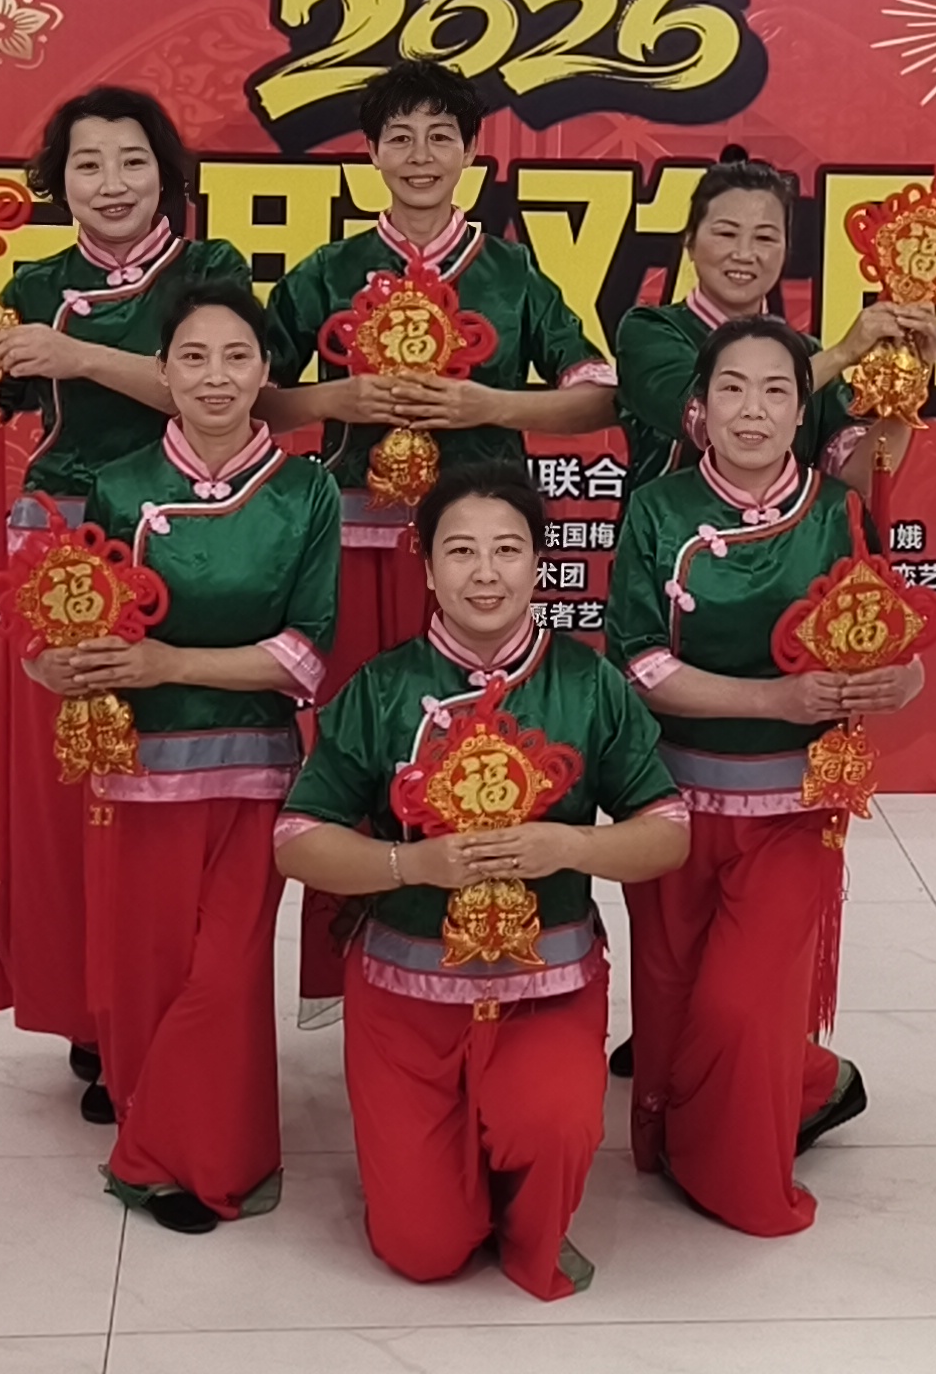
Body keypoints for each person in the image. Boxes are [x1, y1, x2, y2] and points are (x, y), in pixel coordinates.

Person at [0, 84, 253, 1117]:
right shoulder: (32, 283)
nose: (112, 183)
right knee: (74, 793)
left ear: (167, 174)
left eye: (133, 161)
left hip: (192, 538)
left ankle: (171, 1001)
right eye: (87, 164)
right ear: (58, 183)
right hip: (58, 557)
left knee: (168, 787)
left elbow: (231, 399)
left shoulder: (211, 272)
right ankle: (91, 1010)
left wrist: (80, 355)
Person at [274, 468, 688, 1299]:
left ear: (540, 564)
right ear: (427, 568)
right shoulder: (383, 687)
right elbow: (296, 841)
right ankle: (449, 1175)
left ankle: (523, 1186)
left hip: (545, 986)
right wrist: (409, 865)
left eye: (508, 550)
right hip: (408, 991)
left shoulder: (588, 684)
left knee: (550, 1127)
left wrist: (566, 846)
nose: (486, 573)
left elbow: (669, 833)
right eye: (461, 552)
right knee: (423, 1250)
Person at [264, 60, 618, 1008]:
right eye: (399, 137)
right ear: (370, 153)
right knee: (356, 745)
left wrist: (486, 404)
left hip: (476, 558)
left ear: (472, 154)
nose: (420, 155)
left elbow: (596, 396)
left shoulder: (511, 273)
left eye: (440, 137)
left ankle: (484, 942)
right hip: (355, 548)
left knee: (485, 739)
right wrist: (336, 398)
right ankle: (356, 970)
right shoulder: (330, 272)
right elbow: (249, 393)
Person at [606, 314, 916, 1233]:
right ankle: (758, 1104)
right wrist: (773, 698)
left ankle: (735, 1173)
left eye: (777, 390)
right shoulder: (658, 511)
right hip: (671, 802)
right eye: (732, 389)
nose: (753, 409)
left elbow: (890, 639)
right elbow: (638, 663)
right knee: (670, 994)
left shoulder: (837, 512)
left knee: (740, 1005)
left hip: (794, 808)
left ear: (803, 411)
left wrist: (903, 680)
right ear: (698, 409)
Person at [65, 282, 341, 1233]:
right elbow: (88, 622)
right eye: (192, 357)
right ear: (164, 371)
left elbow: (304, 653)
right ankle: (157, 1140)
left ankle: (209, 1160)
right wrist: (61, 656)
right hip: (138, 768)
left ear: (266, 372)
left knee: (226, 973)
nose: (215, 377)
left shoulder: (305, 490)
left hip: (255, 771)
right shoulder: (120, 485)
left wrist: (169, 662)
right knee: (149, 971)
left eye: (236, 357)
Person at [605, 151, 936, 487]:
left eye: (764, 238)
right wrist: (842, 353)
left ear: (786, 249)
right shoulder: (651, 332)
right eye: (726, 234)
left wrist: (910, 375)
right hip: (669, 524)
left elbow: (858, 482)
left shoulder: (807, 353)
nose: (744, 254)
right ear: (689, 242)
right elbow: (710, 419)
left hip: (788, 525)